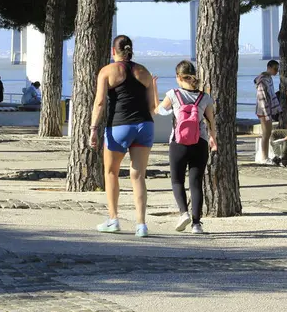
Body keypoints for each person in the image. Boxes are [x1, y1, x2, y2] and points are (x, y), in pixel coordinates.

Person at [90, 35, 156, 238]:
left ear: (113, 51)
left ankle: (113, 219)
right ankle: (141, 225)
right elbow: (153, 105)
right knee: (138, 175)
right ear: (130, 50)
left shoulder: (107, 71)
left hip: (119, 126)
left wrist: (93, 128)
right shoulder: (144, 71)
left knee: (111, 173)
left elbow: (100, 102)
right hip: (144, 125)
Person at [153, 60, 217, 234]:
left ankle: (183, 213)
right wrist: (213, 140)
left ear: (178, 77)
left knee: (177, 180)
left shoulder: (173, 94)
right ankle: (197, 224)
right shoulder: (205, 97)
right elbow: (211, 121)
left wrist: (154, 91)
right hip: (200, 142)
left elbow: (159, 111)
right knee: (196, 183)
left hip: (178, 143)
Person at [254, 60, 280, 164]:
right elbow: (262, 98)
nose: (277, 71)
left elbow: (272, 96)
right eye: (275, 69)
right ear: (269, 67)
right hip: (263, 110)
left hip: (268, 109)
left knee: (267, 133)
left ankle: (265, 155)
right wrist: (267, 113)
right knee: (266, 133)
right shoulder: (263, 80)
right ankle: (264, 157)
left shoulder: (268, 79)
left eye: (278, 69)